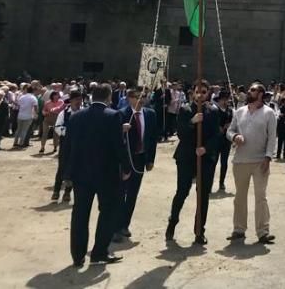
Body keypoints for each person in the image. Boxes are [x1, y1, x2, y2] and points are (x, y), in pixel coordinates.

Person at [63, 82, 131, 266]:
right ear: (109, 97)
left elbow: (67, 147)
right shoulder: (113, 115)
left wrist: (66, 173)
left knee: (80, 214)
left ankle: (77, 256)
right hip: (106, 174)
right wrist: (126, 168)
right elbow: (118, 146)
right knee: (108, 212)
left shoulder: (77, 116)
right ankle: (99, 252)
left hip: (80, 174)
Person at [166, 79, 223, 245]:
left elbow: (216, 135)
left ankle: (199, 231)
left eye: (204, 92)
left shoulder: (213, 111)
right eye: (197, 92)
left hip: (205, 158)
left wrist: (206, 148)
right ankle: (172, 222)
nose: (200, 95)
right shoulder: (185, 110)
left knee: (203, 195)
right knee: (182, 191)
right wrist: (192, 122)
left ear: (208, 94)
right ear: (192, 93)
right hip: (186, 157)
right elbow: (181, 133)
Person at [227, 81, 278, 244]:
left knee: (260, 197)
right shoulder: (239, 111)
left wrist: (268, 157)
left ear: (261, 94)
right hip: (240, 161)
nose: (249, 91)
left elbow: (272, 137)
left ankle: (263, 231)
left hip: (260, 161)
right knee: (239, 196)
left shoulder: (269, 113)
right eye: (249, 89)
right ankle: (239, 229)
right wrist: (235, 137)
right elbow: (230, 130)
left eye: (253, 90)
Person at [115, 88, 158, 242]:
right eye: (137, 96)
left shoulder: (150, 114)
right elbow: (114, 139)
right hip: (125, 159)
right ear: (129, 98)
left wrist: (150, 159)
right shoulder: (121, 114)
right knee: (121, 193)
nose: (141, 99)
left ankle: (125, 225)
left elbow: (152, 138)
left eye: (144, 96)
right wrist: (122, 130)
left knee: (133, 194)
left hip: (140, 159)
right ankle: (116, 226)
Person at [52, 89, 84, 202]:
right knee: (62, 167)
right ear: (71, 101)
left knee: (74, 168)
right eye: (76, 99)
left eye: (80, 99)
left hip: (79, 145)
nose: (78, 102)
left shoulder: (84, 112)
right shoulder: (64, 113)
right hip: (66, 144)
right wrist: (69, 132)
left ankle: (67, 192)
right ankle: (56, 190)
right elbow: (57, 127)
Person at [215, 90, 234, 191]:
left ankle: (221, 182)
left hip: (226, 139)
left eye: (227, 99)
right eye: (224, 99)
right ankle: (209, 182)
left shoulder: (230, 111)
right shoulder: (215, 110)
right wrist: (218, 128)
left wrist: (228, 126)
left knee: (224, 162)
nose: (226, 101)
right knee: (213, 162)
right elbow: (212, 122)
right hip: (216, 139)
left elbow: (232, 122)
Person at [13, 84, 37, 148]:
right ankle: (21, 144)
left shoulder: (22, 97)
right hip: (28, 116)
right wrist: (35, 114)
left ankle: (15, 142)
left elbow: (18, 104)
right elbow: (35, 107)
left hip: (20, 115)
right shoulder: (33, 97)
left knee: (18, 129)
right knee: (24, 130)